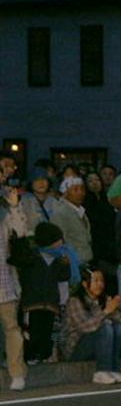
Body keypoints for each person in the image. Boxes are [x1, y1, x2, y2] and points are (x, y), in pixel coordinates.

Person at [17, 222, 74, 363]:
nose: (61, 243)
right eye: (57, 240)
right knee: (31, 333)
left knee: (47, 334)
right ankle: (30, 357)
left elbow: (64, 277)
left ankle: (43, 356)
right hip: (32, 304)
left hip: (50, 304)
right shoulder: (31, 258)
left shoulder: (59, 259)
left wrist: (66, 264)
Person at [60, 268, 121, 384]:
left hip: (95, 345)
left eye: (102, 281)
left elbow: (120, 321)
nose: (100, 284)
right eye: (96, 281)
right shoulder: (75, 301)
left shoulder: (102, 299)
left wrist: (113, 309)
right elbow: (85, 327)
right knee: (105, 327)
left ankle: (113, 369)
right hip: (75, 349)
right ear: (85, 284)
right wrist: (105, 312)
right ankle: (101, 371)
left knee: (118, 328)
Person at [0, 155, 29, 390]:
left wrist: (14, 206)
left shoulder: (6, 202)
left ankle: (17, 373)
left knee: (11, 326)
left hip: (4, 274)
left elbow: (21, 232)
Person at [50, 176, 93, 265]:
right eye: (75, 190)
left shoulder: (80, 211)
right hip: (72, 263)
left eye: (82, 189)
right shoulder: (60, 212)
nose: (80, 193)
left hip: (84, 261)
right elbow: (58, 240)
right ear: (65, 193)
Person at [20, 166, 57, 234]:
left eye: (44, 179)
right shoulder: (25, 200)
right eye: (36, 180)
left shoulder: (53, 201)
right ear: (31, 183)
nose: (41, 183)